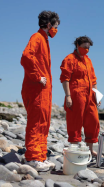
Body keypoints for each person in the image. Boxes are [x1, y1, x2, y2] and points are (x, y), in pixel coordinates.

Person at [21, 10, 60, 171]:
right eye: (55, 26)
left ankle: (40, 156)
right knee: (36, 123)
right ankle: (32, 158)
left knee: (43, 122)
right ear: (49, 25)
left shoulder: (44, 40)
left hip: (43, 90)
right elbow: (26, 57)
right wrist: (37, 76)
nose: (56, 30)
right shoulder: (37, 38)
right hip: (36, 89)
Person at [60, 36, 100, 157]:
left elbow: (93, 80)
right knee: (75, 121)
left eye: (88, 48)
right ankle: (74, 149)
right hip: (76, 95)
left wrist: (97, 95)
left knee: (93, 121)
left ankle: (90, 149)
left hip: (90, 95)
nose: (86, 50)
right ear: (77, 45)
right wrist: (68, 96)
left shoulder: (88, 60)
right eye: (84, 47)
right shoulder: (69, 59)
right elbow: (65, 79)